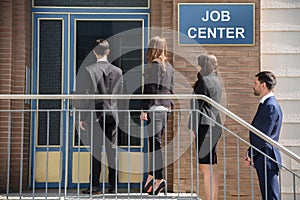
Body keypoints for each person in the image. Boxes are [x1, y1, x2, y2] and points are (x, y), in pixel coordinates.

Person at [76, 39, 123, 195]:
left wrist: (82, 117)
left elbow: (86, 96)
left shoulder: (88, 70)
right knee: (112, 152)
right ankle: (113, 187)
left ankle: (95, 186)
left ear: (94, 52)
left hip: (95, 115)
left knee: (96, 151)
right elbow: (121, 96)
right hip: (113, 115)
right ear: (108, 52)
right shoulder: (118, 71)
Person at [140, 36, 174, 195]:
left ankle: (158, 179)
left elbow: (151, 88)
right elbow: (171, 89)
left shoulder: (155, 65)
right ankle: (152, 176)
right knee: (155, 144)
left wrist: (144, 108)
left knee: (155, 145)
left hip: (154, 107)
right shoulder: (169, 66)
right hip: (165, 108)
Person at [243, 71, 282, 200]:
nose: (253, 86)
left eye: (256, 83)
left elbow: (263, 135)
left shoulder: (270, 106)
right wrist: (250, 152)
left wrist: (250, 154)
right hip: (263, 157)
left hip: (267, 158)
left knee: (271, 197)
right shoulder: (266, 104)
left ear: (263, 85)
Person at [188, 54, 222, 200]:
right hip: (214, 126)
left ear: (203, 66)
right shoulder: (216, 81)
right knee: (211, 167)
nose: (197, 67)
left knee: (205, 167)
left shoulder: (205, 82)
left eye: (199, 64)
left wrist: (192, 128)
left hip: (205, 126)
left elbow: (196, 106)